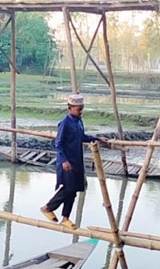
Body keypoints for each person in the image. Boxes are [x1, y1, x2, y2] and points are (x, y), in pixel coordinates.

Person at [40, 94, 106, 230]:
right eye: (78, 109)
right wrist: (63, 160)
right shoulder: (65, 123)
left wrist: (96, 138)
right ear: (70, 108)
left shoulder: (78, 121)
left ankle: (65, 218)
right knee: (68, 188)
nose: (80, 111)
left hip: (77, 160)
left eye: (82, 109)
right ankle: (47, 207)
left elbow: (82, 137)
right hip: (67, 161)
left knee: (73, 190)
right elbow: (58, 144)